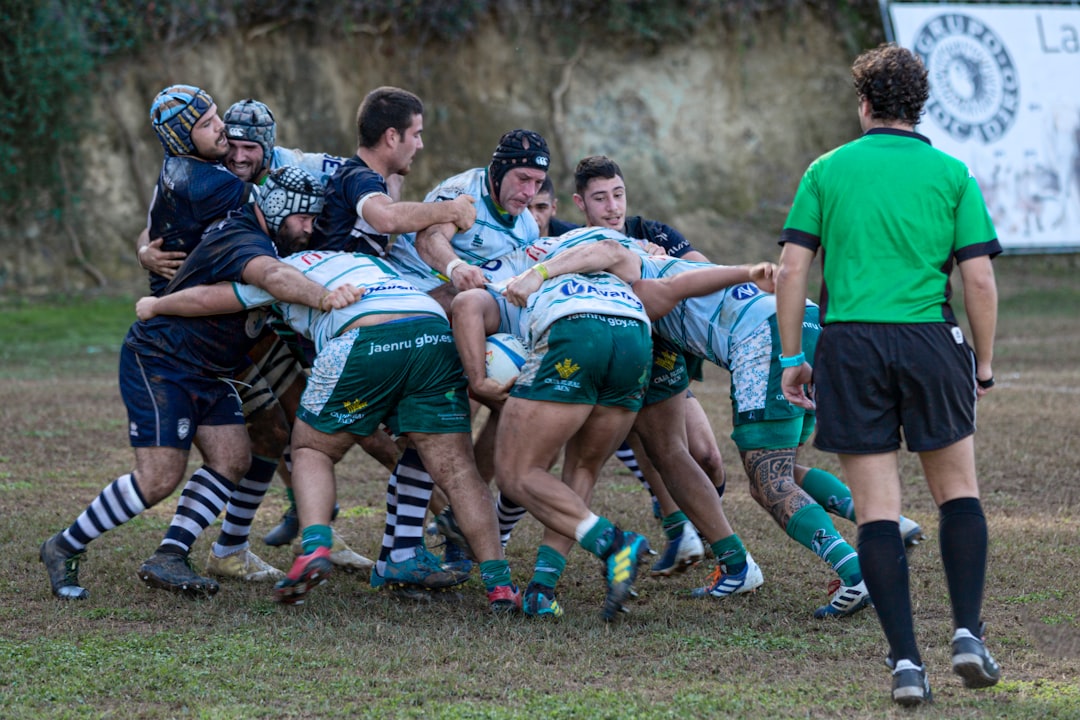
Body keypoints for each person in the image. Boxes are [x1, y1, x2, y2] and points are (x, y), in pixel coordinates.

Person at [774, 43, 1002, 707]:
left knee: (878, 510)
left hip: (850, 346)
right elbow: (979, 276)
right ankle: (966, 633)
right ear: (919, 106)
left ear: (866, 104)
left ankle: (905, 663)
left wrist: (794, 357)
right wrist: (982, 361)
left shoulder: (827, 170)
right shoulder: (952, 172)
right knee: (958, 492)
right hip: (932, 341)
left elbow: (792, 271)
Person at [133, 249, 522, 613]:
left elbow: (208, 300)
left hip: (365, 336)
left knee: (312, 450)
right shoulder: (365, 260)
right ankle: (499, 585)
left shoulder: (276, 269)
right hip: (433, 333)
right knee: (457, 470)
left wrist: (156, 304)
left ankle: (315, 547)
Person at [38, 167, 361, 600]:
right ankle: (62, 546)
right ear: (280, 208)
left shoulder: (260, 238)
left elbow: (212, 296)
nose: (309, 228)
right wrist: (325, 297)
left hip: (210, 369)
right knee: (158, 479)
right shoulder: (247, 241)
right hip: (163, 360)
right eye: (304, 218)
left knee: (232, 458)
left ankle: (169, 555)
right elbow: (273, 279)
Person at [220, 97, 397, 569]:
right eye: (231, 146)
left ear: (268, 148)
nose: (239, 157)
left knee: (320, 421)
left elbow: (367, 174)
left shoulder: (301, 166)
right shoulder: (208, 175)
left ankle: (438, 518)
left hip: (306, 299)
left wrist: (379, 216)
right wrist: (144, 255)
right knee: (282, 425)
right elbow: (156, 226)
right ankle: (301, 517)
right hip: (265, 310)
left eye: (249, 149)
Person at [380, 129, 550, 580]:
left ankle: (439, 532)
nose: (529, 191)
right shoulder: (464, 193)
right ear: (497, 171)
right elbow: (428, 239)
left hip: (465, 325)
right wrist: (455, 267)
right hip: (414, 309)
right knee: (435, 432)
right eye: (521, 178)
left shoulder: (528, 225)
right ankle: (408, 548)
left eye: (537, 183)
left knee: (503, 410)